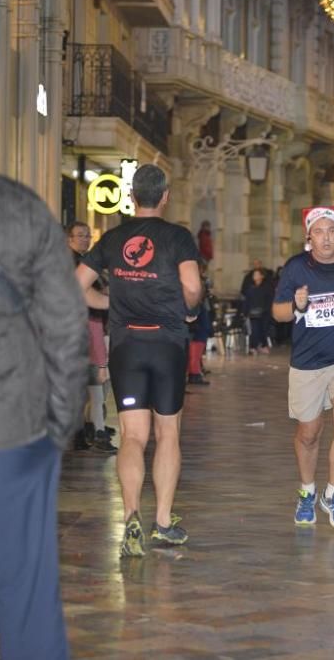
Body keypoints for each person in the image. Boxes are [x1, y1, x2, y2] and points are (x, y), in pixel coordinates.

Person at [76, 164, 203, 557]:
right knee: (168, 433)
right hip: (166, 343)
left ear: (131, 197)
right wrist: (190, 310)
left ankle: (131, 516)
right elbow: (193, 286)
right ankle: (162, 522)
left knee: (133, 436)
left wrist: (109, 302)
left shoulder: (112, 239)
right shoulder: (178, 237)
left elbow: (77, 286)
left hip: (127, 346)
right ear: (165, 196)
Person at [0, 176, 88, 660]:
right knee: (27, 593)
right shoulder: (19, 207)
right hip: (13, 423)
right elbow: (64, 324)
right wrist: (57, 425)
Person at [272, 206, 334, 529]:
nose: (325, 237)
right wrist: (296, 305)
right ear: (308, 237)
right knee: (309, 433)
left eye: (330, 231)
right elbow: (278, 314)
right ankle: (307, 492)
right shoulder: (297, 268)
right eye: (318, 231)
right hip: (307, 362)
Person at [66, 221, 117, 454]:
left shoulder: (86, 262)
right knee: (95, 380)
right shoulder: (72, 263)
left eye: (88, 235)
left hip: (92, 325)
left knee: (93, 382)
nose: (85, 239)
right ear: (69, 239)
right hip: (86, 325)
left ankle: (88, 428)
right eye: (80, 235)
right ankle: (92, 430)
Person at [244, 269, 274, 354]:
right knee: (254, 330)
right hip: (253, 313)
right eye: (254, 275)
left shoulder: (267, 288)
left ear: (262, 276)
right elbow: (247, 301)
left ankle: (263, 345)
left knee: (263, 329)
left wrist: (266, 310)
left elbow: (269, 300)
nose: (255, 276)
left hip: (264, 313)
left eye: (257, 274)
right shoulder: (250, 288)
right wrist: (245, 312)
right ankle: (253, 347)